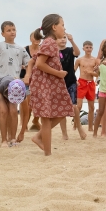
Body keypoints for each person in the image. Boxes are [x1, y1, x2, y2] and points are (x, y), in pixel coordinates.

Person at [29, 14, 76, 156]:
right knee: (47, 117)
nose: (64, 28)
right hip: (45, 83)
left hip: (50, 83)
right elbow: (39, 64)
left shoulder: (51, 42)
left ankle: (39, 137)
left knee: (64, 109)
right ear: (54, 27)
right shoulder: (49, 42)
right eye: (62, 24)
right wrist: (58, 73)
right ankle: (47, 153)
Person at [75, 41, 99, 133]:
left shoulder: (95, 60)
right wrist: (75, 81)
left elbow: (98, 74)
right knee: (79, 106)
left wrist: (91, 73)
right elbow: (73, 71)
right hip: (81, 82)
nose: (88, 49)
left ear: (92, 48)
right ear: (83, 49)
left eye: (90, 47)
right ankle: (76, 124)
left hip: (91, 83)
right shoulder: (79, 60)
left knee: (91, 107)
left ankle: (90, 127)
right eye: (87, 47)